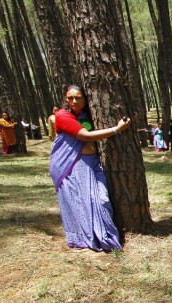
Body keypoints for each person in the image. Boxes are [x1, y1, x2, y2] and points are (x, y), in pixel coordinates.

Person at [49, 85, 129, 252]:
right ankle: (84, 238)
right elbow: (85, 136)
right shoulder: (62, 115)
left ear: (86, 99)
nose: (74, 101)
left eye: (78, 97)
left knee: (101, 199)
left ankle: (104, 235)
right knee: (80, 202)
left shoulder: (88, 115)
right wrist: (117, 129)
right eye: (70, 97)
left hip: (92, 161)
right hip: (72, 165)